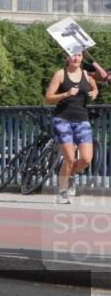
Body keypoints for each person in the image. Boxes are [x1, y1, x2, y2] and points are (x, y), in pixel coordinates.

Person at [44, 52, 99, 204]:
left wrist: (94, 92)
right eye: (72, 55)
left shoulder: (87, 75)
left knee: (87, 159)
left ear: (81, 58)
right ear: (67, 58)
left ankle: (69, 175)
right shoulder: (60, 74)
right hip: (63, 119)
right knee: (69, 158)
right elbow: (48, 97)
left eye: (79, 55)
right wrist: (66, 94)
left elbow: (95, 88)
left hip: (82, 120)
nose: (75, 58)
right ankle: (62, 192)